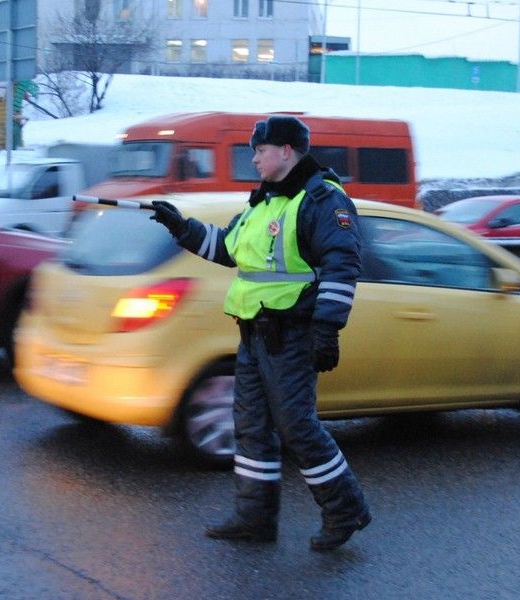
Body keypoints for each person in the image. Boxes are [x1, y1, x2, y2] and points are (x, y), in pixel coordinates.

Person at [150, 115, 370, 551]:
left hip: (292, 335)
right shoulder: (263, 203)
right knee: (250, 428)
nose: (254, 159)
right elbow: (228, 249)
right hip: (253, 334)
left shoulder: (322, 200)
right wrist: (182, 228)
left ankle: (345, 510)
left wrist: (327, 329)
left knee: (297, 428)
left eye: (260, 151)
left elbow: (343, 263)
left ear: (286, 151)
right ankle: (255, 517)